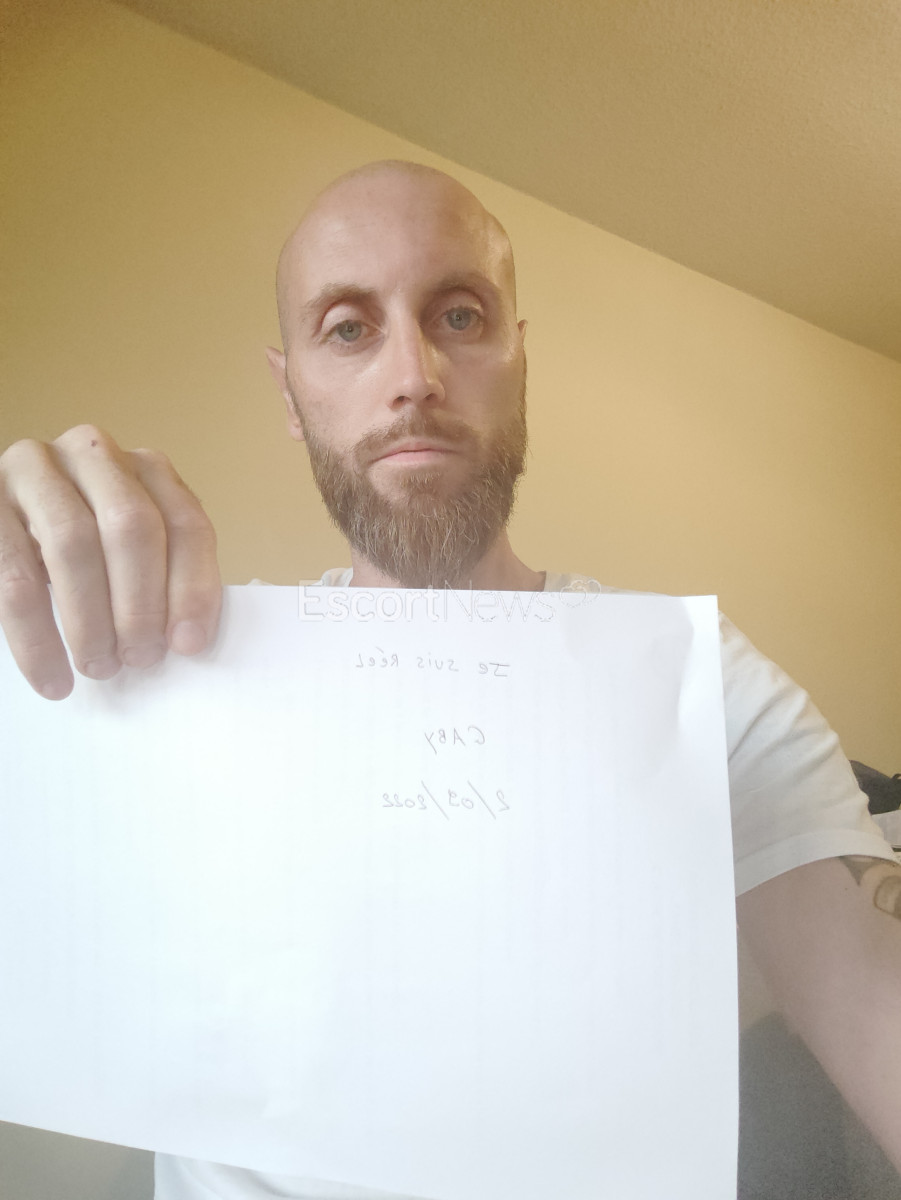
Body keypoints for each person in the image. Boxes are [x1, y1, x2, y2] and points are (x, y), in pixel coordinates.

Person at [0, 160, 899, 1199]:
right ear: (290, 391)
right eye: (348, 328)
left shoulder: (706, 691)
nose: (414, 374)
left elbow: (866, 998)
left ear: (519, 359)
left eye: (460, 316)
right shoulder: (164, 666)